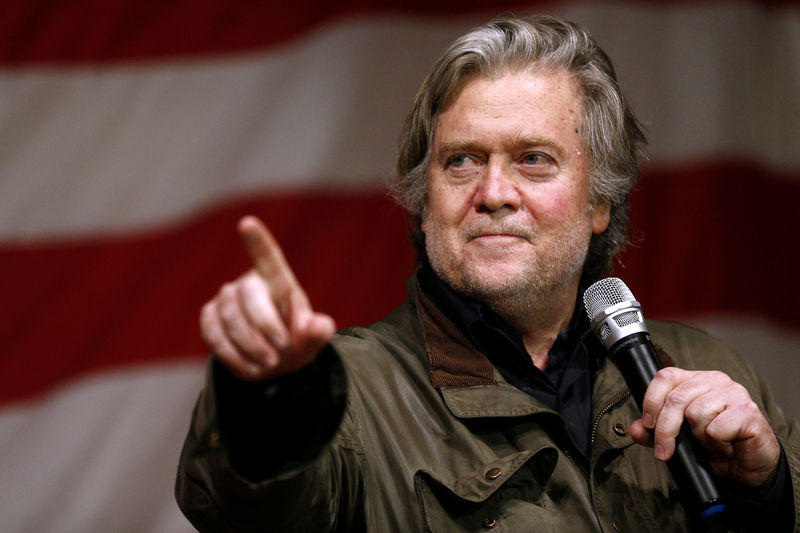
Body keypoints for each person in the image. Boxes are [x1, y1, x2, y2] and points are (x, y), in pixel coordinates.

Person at [175, 15, 798, 532]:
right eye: (463, 161)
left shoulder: (706, 369)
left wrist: (768, 489)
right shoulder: (343, 392)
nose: (494, 192)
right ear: (425, 202)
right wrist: (267, 402)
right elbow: (241, 507)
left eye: (533, 159)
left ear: (599, 201)